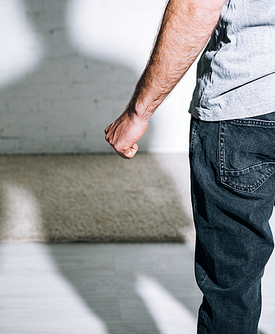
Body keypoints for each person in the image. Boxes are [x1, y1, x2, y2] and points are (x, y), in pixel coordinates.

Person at [104, 0, 275, 333]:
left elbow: (197, 6)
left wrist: (138, 113)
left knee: (231, 279)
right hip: (243, 112)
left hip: (243, 104)